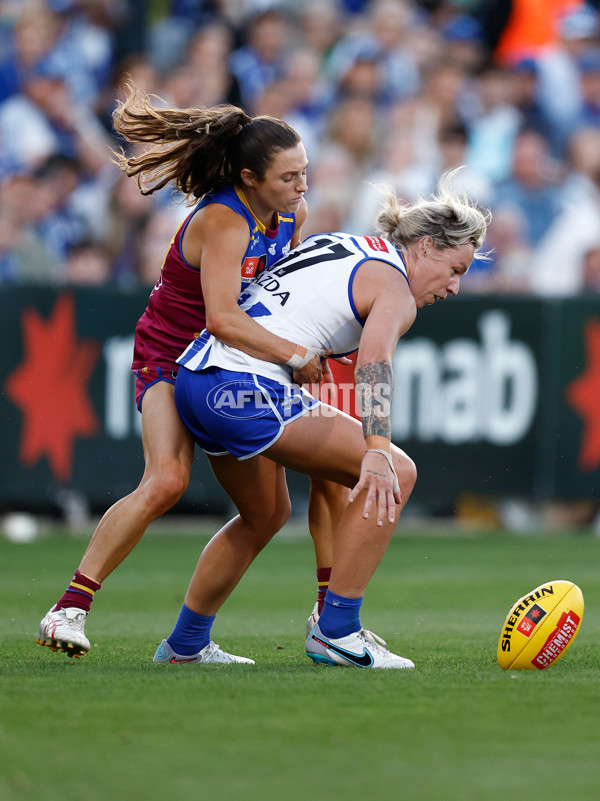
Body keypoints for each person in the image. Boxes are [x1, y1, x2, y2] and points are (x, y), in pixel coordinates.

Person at [36, 79, 347, 659]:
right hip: (172, 359)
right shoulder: (224, 220)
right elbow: (224, 318)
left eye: (305, 172)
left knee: (268, 512)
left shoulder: (290, 214)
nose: (302, 186)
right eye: (288, 176)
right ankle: (68, 609)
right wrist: (298, 355)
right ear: (248, 178)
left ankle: (188, 643)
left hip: (228, 368)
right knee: (167, 480)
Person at [153, 170, 490, 669]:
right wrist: (376, 452)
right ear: (424, 246)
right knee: (397, 471)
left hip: (199, 381)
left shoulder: (344, 244)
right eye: (456, 268)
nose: (456, 287)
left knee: (265, 515)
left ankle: (184, 644)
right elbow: (375, 365)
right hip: (244, 387)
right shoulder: (394, 288)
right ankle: (336, 630)